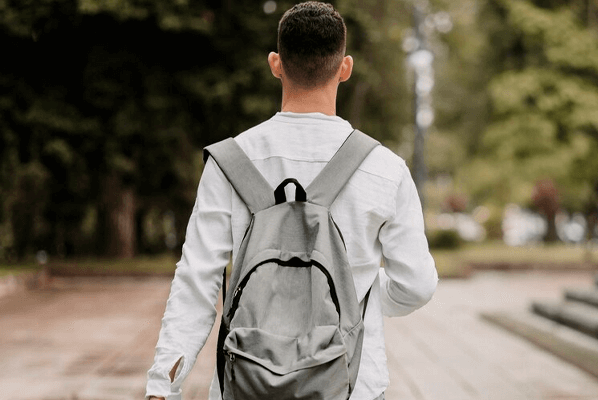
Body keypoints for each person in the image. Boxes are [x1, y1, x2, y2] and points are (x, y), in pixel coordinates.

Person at [145, 2, 438, 400]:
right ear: (345, 68)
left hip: (245, 382)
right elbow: (416, 286)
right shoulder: (385, 169)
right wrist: (359, 296)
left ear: (275, 64)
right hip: (351, 385)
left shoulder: (230, 162)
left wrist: (163, 385)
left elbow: (196, 280)